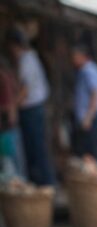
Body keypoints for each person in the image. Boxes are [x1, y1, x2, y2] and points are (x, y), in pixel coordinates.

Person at [8, 31, 53, 185]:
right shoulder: (31, 58)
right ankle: (42, 183)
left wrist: (13, 105)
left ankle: (42, 184)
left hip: (32, 109)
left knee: (36, 149)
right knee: (37, 148)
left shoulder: (27, 60)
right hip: (35, 108)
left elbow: (25, 89)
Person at [72, 43, 97, 162]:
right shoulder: (89, 69)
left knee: (93, 151)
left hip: (93, 116)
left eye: (74, 56)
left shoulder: (88, 71)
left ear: (82, 56)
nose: (72, 60)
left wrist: (89, 117)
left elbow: (96, 93)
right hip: (93, 115)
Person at [0, 55, 21, 177]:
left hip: (6, 125)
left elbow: (8, 105)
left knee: (9, 161)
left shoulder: (4, 79)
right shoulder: (8, 77)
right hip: (8, 125)